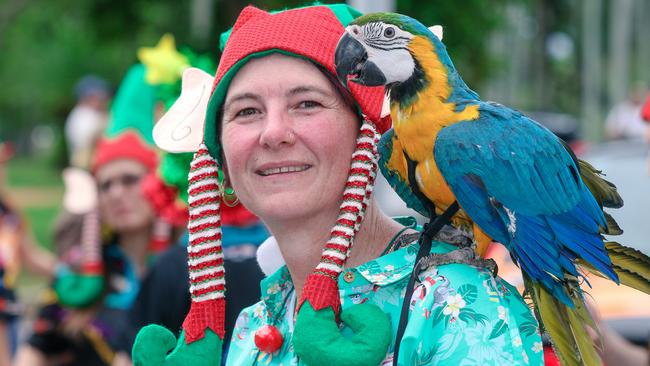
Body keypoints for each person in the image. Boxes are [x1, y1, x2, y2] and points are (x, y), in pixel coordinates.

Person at [135, 4, 544, 365]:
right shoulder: (254, 324)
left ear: (365, 135)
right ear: (221, 158)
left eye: (307, 103)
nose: (273, 132)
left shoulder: (454, 306)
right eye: (246, 111)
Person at [13, 64, 175, 366]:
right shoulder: (82, 271)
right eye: (105, 185)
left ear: (159, 184)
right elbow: (34, 348)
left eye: (129, 179)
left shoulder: (189, 269)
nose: (115, 193)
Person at [65, 75, 110, 169]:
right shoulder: (82, 114)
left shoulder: (93, 114)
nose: (103, 100)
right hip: (86, 167)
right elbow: (88, 141)